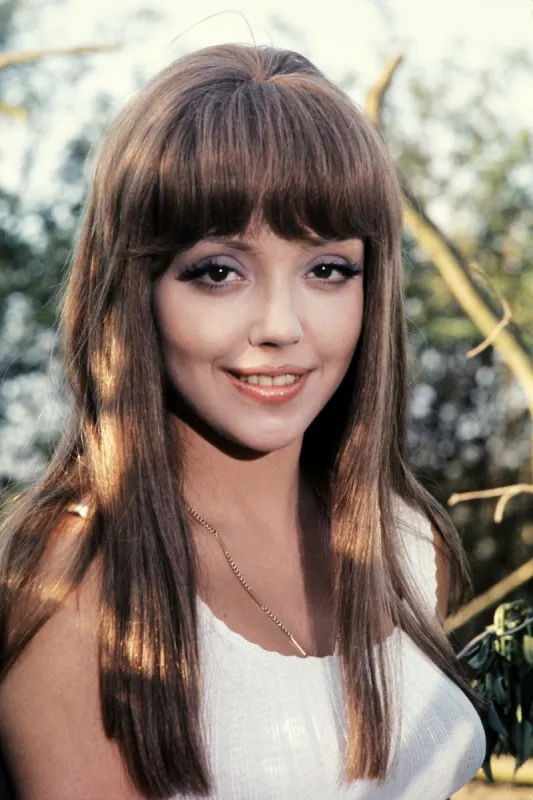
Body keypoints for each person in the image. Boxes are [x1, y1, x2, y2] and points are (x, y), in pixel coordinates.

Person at [0, 42, 487, 799]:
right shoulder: (69, 578)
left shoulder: (404, 541)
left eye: (327, 269)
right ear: (138, 291)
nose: (280, 325)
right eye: (218, 271)